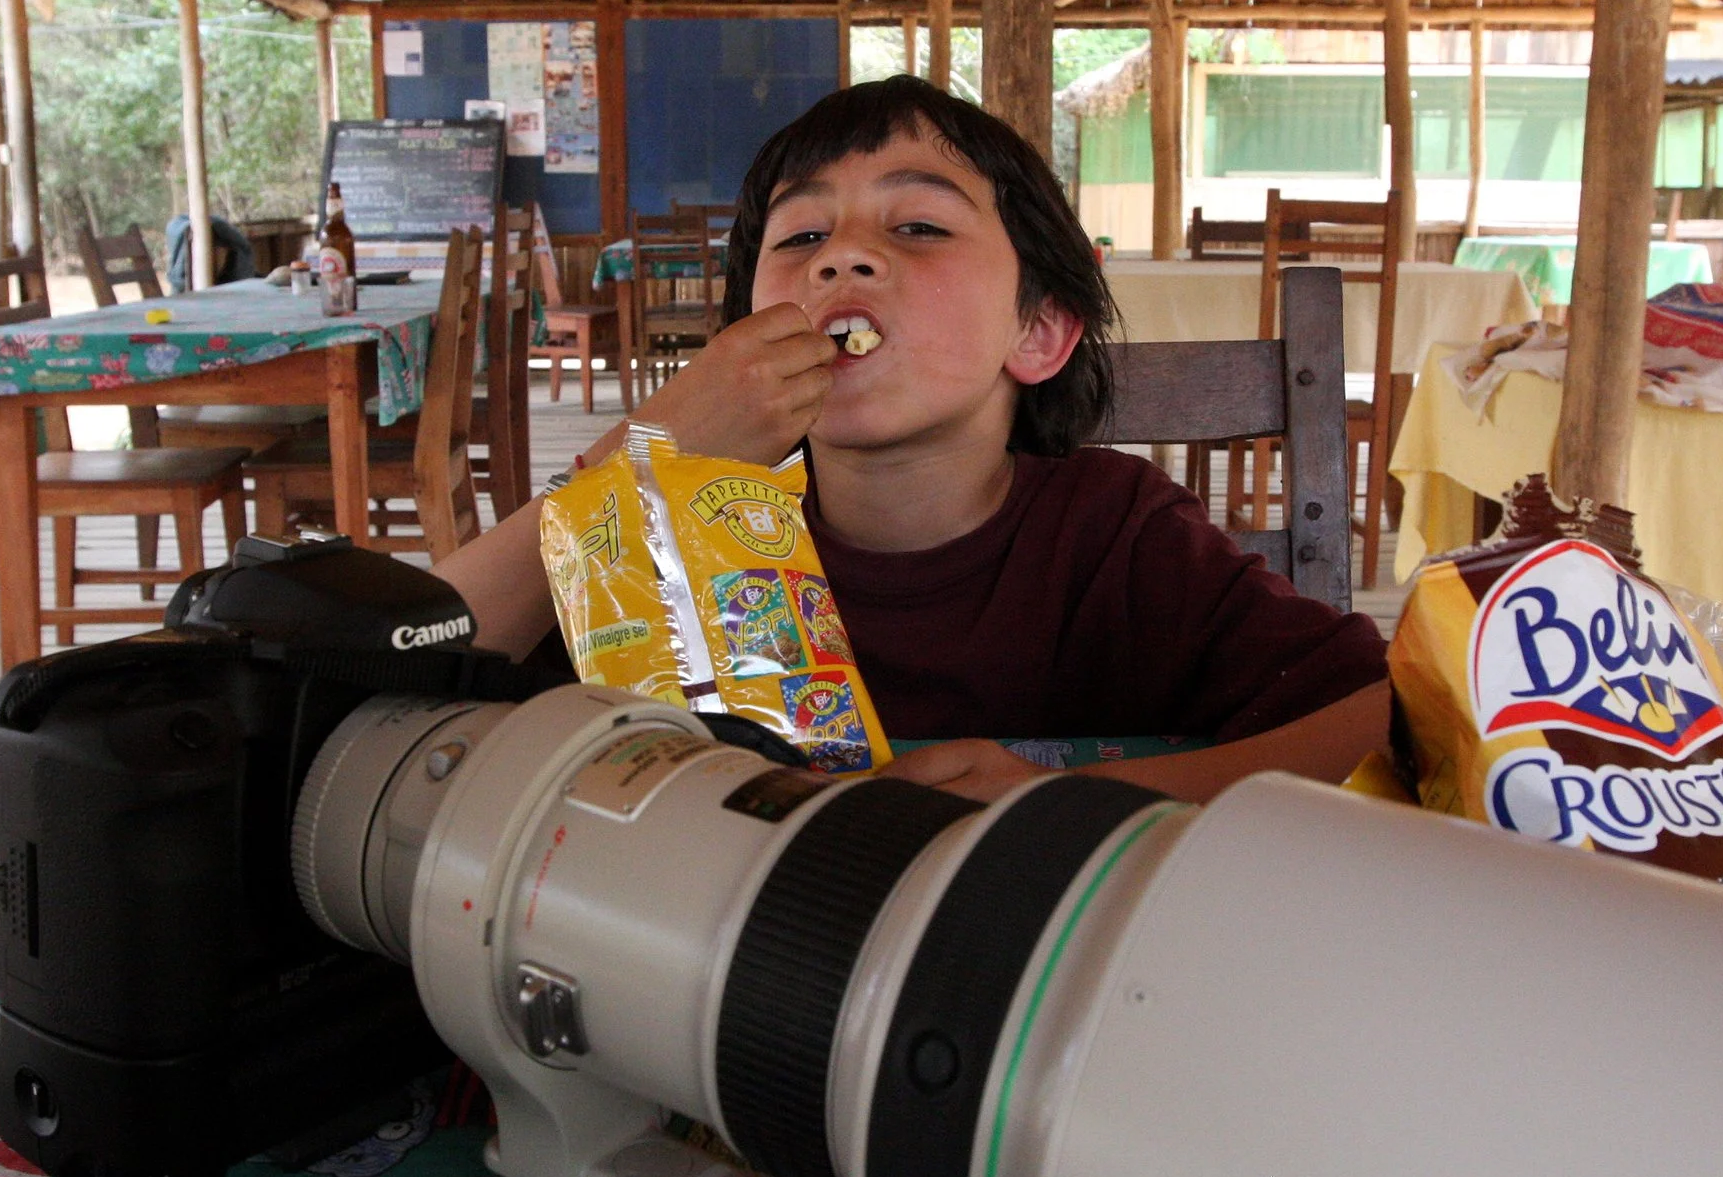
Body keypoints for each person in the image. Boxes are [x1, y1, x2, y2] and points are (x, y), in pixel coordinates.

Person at [439, 77, 1390, 801]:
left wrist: (1058, 804)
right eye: (801, 237)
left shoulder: (1116, 534)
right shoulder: (662, 542)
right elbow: (405, 661)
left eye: (920, 224)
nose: (845, 255)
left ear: (1038, 332)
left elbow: (1377, 720)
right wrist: (648, 454)